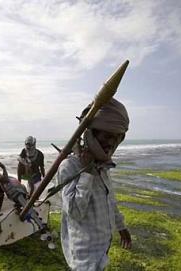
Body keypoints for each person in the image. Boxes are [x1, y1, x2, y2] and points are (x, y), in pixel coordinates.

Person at [57, 98, 132, 271]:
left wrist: (121, 226)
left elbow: (110, 201)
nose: (112, 142)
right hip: (84, 257)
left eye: (116, 137)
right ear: (91, 133)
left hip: (102, 250)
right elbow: (75, 212)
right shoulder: (70, 167)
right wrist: (87, 173)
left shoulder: (103, 166)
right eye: (107, 136)